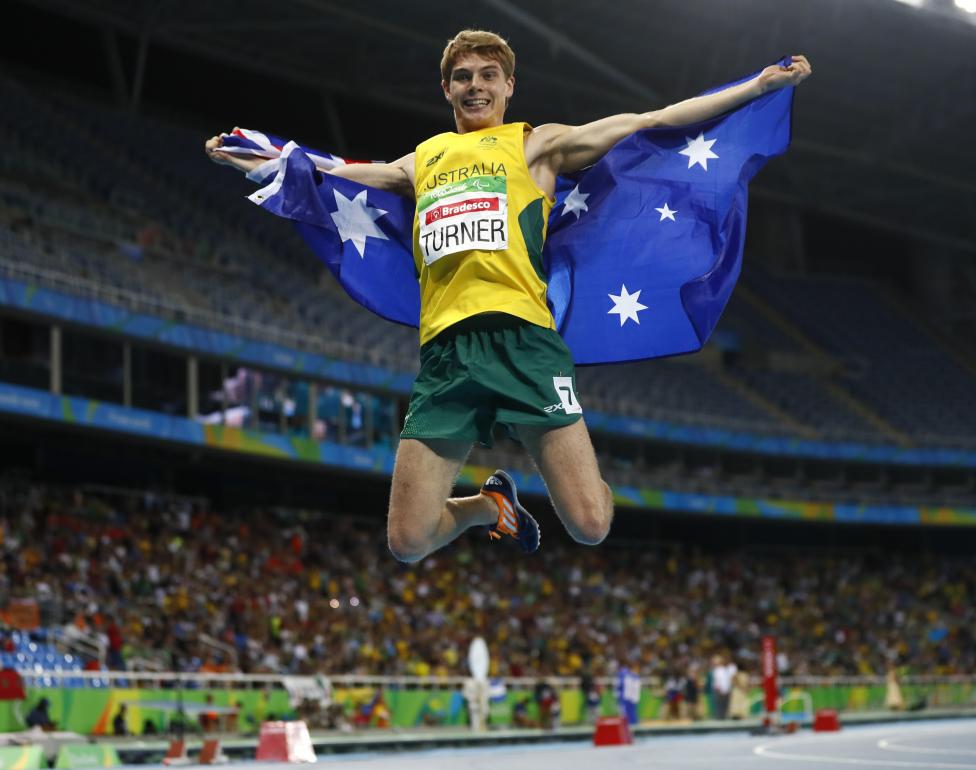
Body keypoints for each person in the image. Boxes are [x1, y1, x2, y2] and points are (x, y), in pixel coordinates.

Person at [206, 31, 811, 562]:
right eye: (463, 77)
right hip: (445, 357)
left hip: (525, 346)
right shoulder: (424, 160)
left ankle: (590, 468)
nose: (475, 86)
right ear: (447, 89)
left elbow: (649, 122)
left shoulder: (537, 145)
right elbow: (336, 173)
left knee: (591, 525)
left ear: (508, 86)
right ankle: (483, 508)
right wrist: (265, 163)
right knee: (408, 541)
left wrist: (754, 87)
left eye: (487, 76)